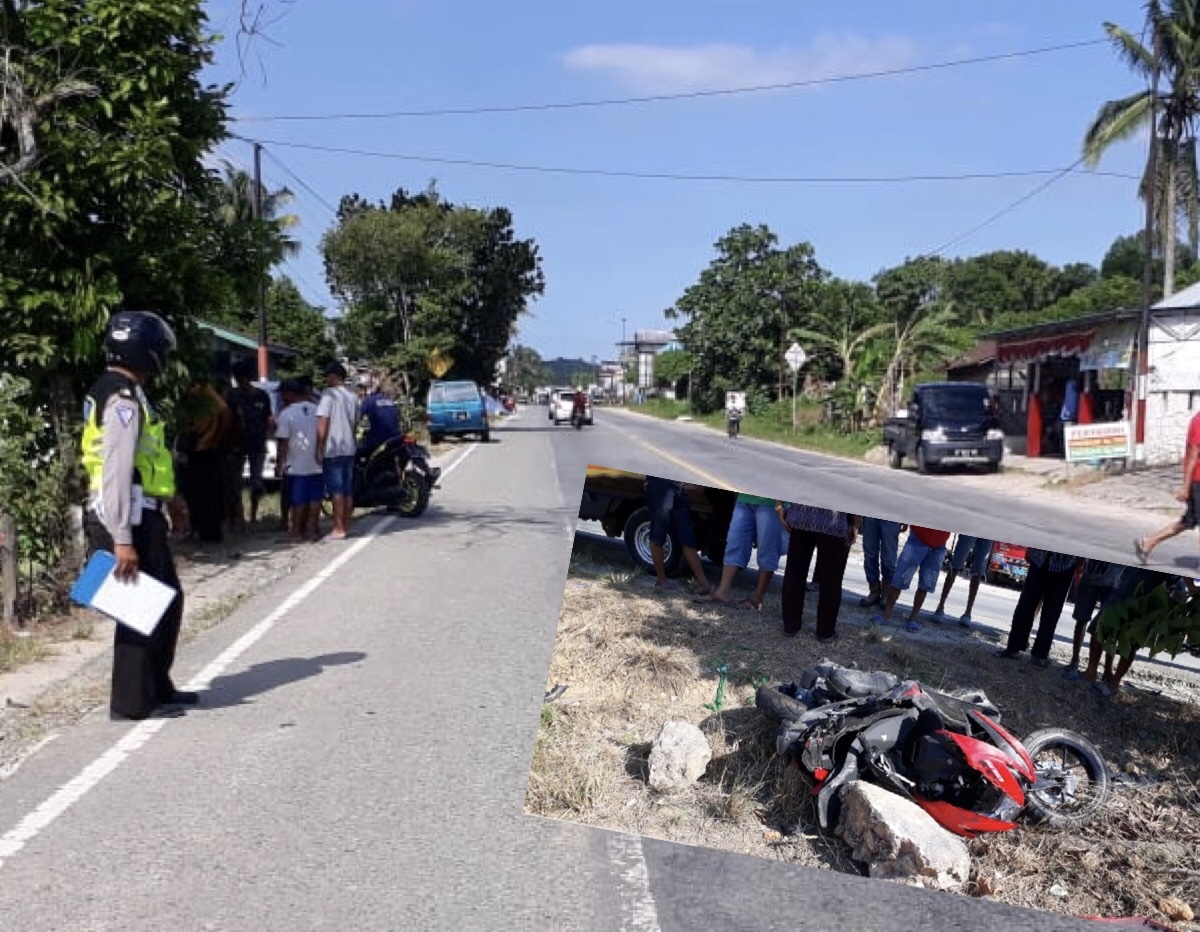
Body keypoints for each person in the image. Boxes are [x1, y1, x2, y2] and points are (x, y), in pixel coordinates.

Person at [81, 310, 199, 720]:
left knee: (166, 600)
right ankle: (132, 703)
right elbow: (116, 469)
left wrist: (171, 499)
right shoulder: (121, 399)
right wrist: (122, 539)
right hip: (123, 514)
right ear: (145, 351)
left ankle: (158, 685)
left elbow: (147, 460)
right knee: (137, 609)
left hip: (142, 509)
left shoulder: (126, 391)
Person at [779, 502, 859, 641]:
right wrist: (856, 523)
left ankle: (790, 625)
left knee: (795, 572)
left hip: (802, 514)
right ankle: (825, 631)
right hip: (834, 520)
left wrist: (778, 505)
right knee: (831, 579)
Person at [995, 549, 1085, 667]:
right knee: (1025, 605)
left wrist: (1082, 559)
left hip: (1065, 564)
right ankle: (1013, 648)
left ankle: (1040, 655)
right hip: (1039, 559)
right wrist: (1030, 548)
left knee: (1051, 612)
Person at [695, 492, 784, 611]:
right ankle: (722, 592)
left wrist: (779, 505)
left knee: (767, 548)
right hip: (744, 498)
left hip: (771, 502)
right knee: (734, 543)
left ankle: (757, 598)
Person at [1135, 405, 1200, 564]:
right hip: (1198, 481)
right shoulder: (1199, 422)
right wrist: (1185, 486)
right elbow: (1192, 456)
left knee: (1187, 522)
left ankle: (1149, 542)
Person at [871, 525, 951, 633]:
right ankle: (887, 612)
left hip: (939, 543)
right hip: (918, 537)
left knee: (925, 584)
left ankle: (913, 617)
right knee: (900, 577)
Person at [224, 359, 275, 529]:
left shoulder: (261, 395)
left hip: (257, 443)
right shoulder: (231, 395)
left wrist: (267, 435)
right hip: (236, 443)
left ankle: (253, 516)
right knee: (234, 483)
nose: (241, 381)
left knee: (256, 482)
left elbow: (268, 418)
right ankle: (237, 517)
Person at [644, 475, 712, 593]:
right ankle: (661, 580)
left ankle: (704, 584)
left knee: (687, 538)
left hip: (677, 486)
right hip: (660, 484)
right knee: (658, 534)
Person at [316, 361, 361, 540]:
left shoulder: (328, 395)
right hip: (349, 447)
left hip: (333, 448)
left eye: (327, 376)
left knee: (336, 490)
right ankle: (346, 525)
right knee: (347, 489)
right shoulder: (353, 396)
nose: (326, 380)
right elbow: (356, 421)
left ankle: (338, 528)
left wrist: (319, 447)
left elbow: (322, 422)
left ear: (334, 376)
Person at [274, 379, 323, 542]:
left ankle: (296, 532)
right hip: (317, 463)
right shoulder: (318, 410)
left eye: (282, 394)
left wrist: (279, 465)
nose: (281, 397)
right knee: (315, 498)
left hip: (295, 464)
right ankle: (312, 530)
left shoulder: (287, 413)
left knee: (298, 500)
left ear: (290, 394)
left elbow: (283, 443)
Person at [1061, 559, 1125, 677]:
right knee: (1081, 619)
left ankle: (1107, 670)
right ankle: (1075, 661)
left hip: (1113, 581)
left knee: (1110, 627)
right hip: (1089, 577)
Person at [930, 535, 993, 628]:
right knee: (956, 564)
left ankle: (968, 612)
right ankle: (940, 606)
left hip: (988, 531)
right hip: (971, 527)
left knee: (979, 571)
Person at [858, 517, 906, 608]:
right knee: (870, 555)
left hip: (892, 515)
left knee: (889, 559)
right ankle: (874, 591)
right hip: (871, 513)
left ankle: (886, 593)